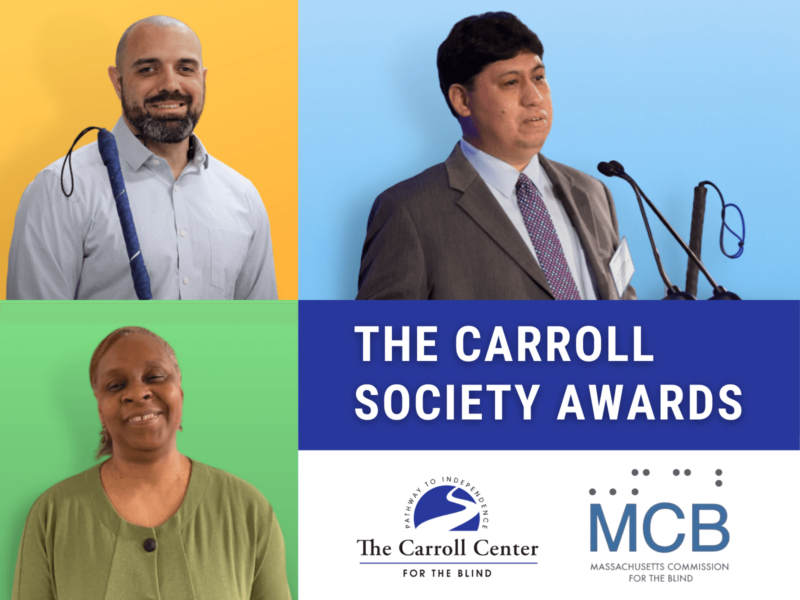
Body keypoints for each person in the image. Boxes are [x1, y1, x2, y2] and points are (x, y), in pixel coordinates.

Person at [357, 12, 636, 300]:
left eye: (539, 77)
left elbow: (622, 301)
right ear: (462, 100)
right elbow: (382, 338)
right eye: (511, 83)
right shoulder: (409, 212)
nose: (535, 97)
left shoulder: (593, 193)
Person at [7, 16, 278, 300]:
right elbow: (34, 339)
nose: (170, 84)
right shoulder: (62, 190)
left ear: (202, 78)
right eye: (148, 69)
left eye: (185, 68)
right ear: (118, 82)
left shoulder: (243, 197)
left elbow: (259, 339)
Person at [12, 327, 291, 600]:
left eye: (155, 376)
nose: (137, 393)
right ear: (100, 410)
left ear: (179, 393)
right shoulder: (52, 515)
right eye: (116, 385)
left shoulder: (248, 510)